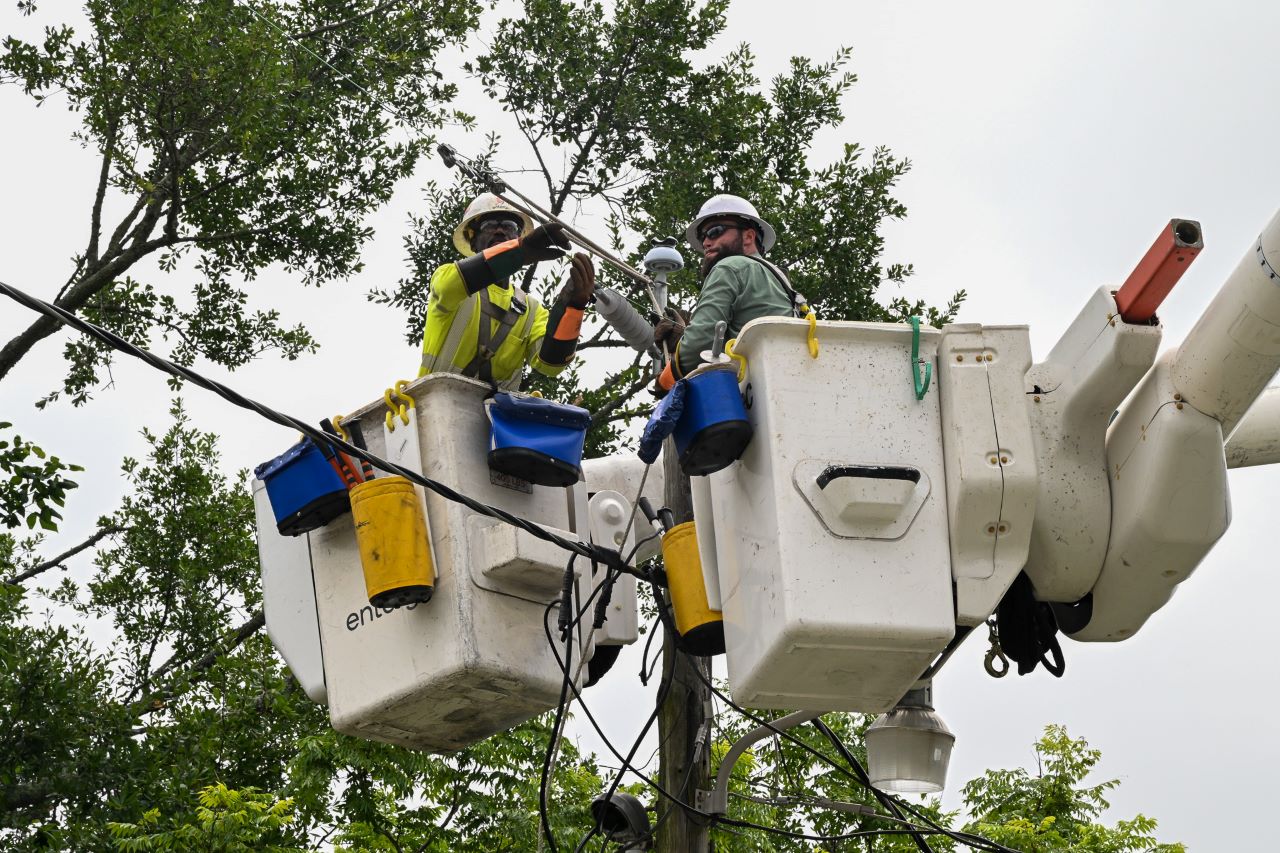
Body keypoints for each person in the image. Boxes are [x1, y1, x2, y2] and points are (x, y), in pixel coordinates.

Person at [418, 193, 595, 390]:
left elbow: (550, 366)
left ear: (519, 236)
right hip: (433, 408)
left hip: (494, 419)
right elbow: (448, 286)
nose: (500, 231)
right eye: (490, 225)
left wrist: (572, 306)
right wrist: (519, 251)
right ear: (473, 242)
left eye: (510, 226)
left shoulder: (532, 311)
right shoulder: (450, 279)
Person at [653, 194, 804, 391]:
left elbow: (698, 347)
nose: (706, 242)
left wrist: (665, 380)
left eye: (715, 231)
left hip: (750, 398)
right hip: (783, 389)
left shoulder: (730, 266)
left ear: (748, 236)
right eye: (703, 237)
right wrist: (684, 336)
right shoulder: (782, 284)